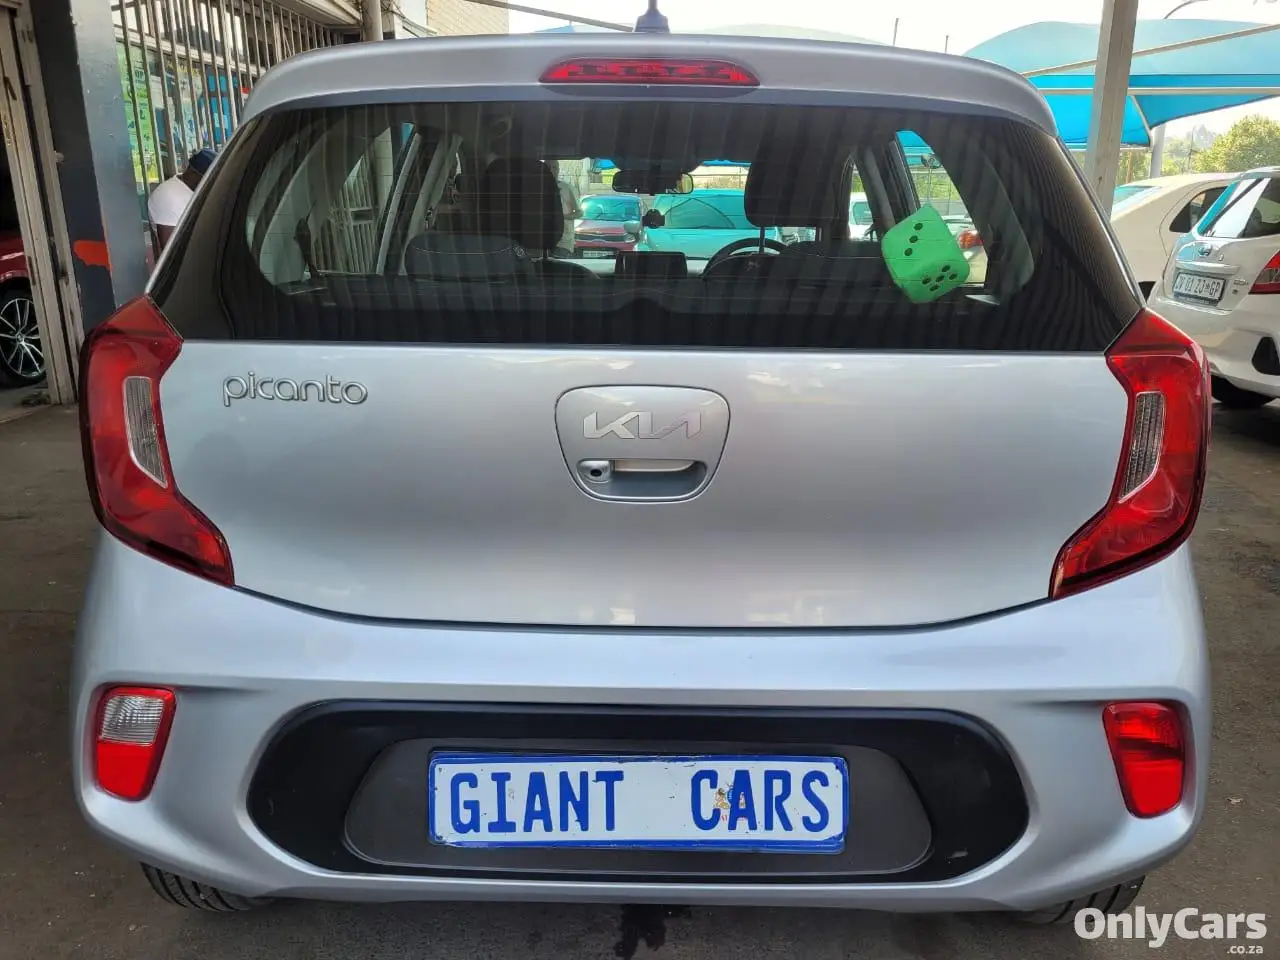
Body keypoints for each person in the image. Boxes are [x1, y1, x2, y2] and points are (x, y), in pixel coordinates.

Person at [147, 148, 216, 253]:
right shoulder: (169, 195)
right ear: (193, 173)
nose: (212, 184)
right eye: (210, 179)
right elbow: (173, 250)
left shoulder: (194, 190)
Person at [551, 161, 582, 258]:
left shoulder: (567, 188)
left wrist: (562, 217)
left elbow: (579, 212)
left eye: (554, 167)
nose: (550, 170)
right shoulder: (538, 188)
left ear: (558, 170)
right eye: (547, 167)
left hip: (563, 241)